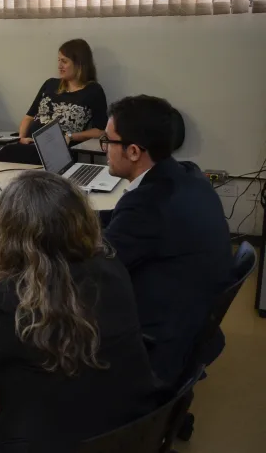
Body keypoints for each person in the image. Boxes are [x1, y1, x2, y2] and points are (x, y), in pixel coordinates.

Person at [0, 171, 158, 452]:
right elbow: (60, 289)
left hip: (57, 441)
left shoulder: (7, 304)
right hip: (126, 429)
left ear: (14, 239)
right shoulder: (109, 263)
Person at [99, 95, 232, 385]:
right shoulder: (186, 174)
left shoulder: (147, 206)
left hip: (158, 339)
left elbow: (96, 268)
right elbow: (122, 223)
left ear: (133, 151)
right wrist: (72, 219)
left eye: (107, 141)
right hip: (188, 318)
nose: (104, 150)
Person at [0, 39, 107, 165]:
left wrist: (70, 136)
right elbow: (29, 117)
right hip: (31, 143)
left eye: (64, 61)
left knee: (7, 153)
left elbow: (100, 130)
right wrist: (22, 138)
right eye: (59, 60)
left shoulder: (93, 90)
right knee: (8, 152)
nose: (59, 66)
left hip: (60, 148)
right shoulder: (50, 84)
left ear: (79, 64)